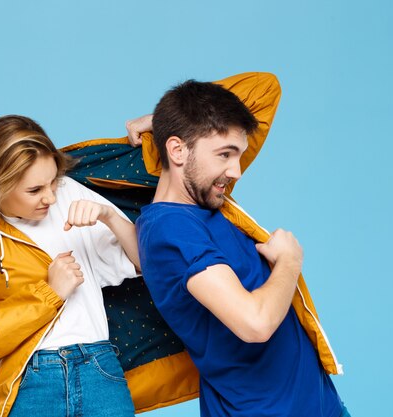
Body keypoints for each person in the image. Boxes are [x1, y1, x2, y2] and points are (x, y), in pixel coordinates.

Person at [135, 77, 350, 416]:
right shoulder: (171, 229)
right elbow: (255, 323)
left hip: (316, 406)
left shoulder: (207, 201)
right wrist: (290, 261)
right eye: (225, 154)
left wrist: (159, 120)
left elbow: (265, 89)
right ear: (176, 151)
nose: (236, 170)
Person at [0, 115, 141, 417]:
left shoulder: (69, 194)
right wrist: (49, 294)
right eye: (34, 190)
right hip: (30, 381)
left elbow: (148, 263)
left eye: (53, 181)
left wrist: (110, 217)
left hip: (99, 369)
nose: (50, 197)